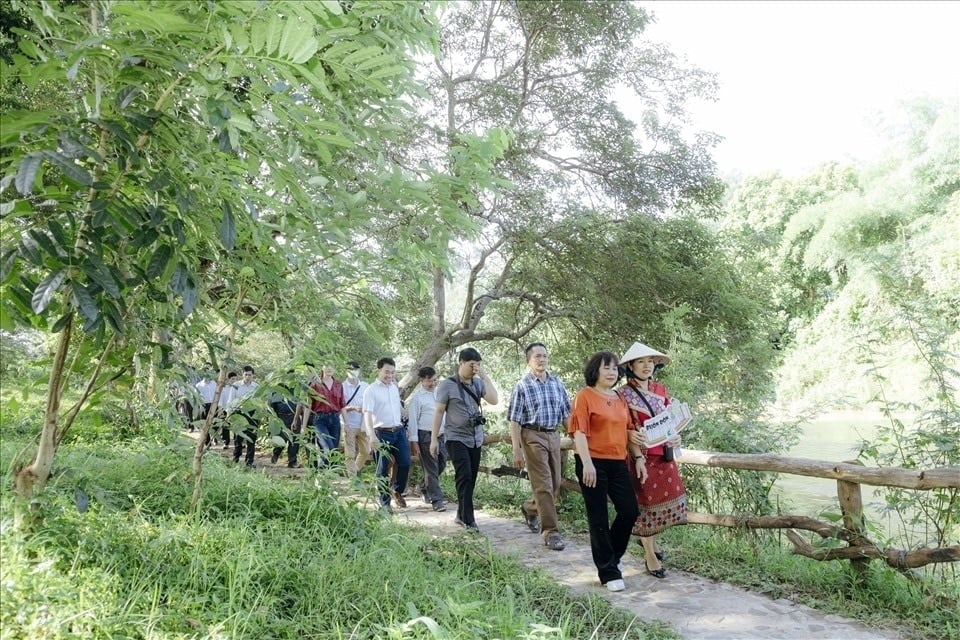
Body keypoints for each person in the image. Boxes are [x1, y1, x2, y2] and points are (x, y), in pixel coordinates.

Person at [569, 351, 645, 593]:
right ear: (595, 371)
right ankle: (608, 571)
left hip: (618, 461)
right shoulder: (585, 396)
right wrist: (587, 463)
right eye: (606, 368)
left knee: (629, 510)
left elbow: (628, 431)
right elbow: (579, 432)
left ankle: (611, 556)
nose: (612, 372)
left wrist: (639, 457)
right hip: (592, 462)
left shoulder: (620, 397)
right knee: (598, 516)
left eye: (614, 368)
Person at [618, 342, 687, 579]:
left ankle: (651, 543)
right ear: (630, 366)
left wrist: (675, 437)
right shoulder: (623, 394)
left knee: (663, 498)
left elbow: (670, 420)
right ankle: (649, 555)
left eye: (650, 361)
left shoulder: (660, 389)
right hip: (641, 456)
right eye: (641, 362)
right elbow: (625, 426)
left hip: (664, 454)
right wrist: (635, 450)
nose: (647, 366)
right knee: (646, 503)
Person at [508, 342, 571, 551]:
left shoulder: (557, 383)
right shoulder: (522, 386)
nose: (541, 359)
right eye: (537, 356)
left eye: (544, 355)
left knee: (554, 484)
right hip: (532, 435)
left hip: (553, 435)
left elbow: (566, 415)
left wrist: (575, 438)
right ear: (529, 361)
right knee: (543, 484)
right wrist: (516, 449)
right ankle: (550, 532)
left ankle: (530, 507)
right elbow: (515, 421)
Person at [431, 348, 499, 532]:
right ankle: (469, 519)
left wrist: (484, 375)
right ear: (461, 363)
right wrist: (434, 439)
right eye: (471, 365)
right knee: (465, 475)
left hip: (475, 438)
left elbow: (494, 400)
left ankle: (461, 514)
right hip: (455, 437)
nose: (474, 369)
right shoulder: (447, 385)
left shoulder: (477, 383)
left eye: (477, 365)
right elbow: (438, 412)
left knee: (472, 478)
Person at [362, 357, 411, 512]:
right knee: (382, 469)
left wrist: (403, 411)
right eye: (386, 372)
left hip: (398, 431)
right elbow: (367, 414)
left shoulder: (394, 387)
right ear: (379, 370)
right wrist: (372, 436)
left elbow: (396, 405)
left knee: (405, 462)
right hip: (381, 432)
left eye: (392, 372)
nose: (389, 375)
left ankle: (397, 490)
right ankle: (385, 504)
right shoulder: (371, 390)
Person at [408, 366, 446, 512]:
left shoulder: (439, 393)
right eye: (429, 380)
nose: (432, 383)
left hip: (441, 435)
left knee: (441, 464)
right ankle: (437, 501)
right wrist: (414, 441)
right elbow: (413, 421)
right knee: (431, 469)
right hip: (425, 436)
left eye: (434, 380)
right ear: (422, 380)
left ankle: (424, 487)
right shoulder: (417, 398)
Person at [269, 371, 310, 468]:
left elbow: (303, 402)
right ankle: (276, 454)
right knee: (281, 439)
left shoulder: (297, 388)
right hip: (281, 417)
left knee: (294, 440)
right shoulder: (277, 389)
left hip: (294, 416)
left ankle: (292, 461)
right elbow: (271, 405)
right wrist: (274, 417)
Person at [309, 364, 345, 468]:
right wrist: (303, 425)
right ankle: (322, 473)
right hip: (320, 420)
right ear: (322, 367)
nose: (329, 368)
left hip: (335, 419)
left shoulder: (338, 385)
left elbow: (342, 405)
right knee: (327, 447)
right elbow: (308, 405)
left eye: (331, 366)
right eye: (327, 365)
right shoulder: (315, 384)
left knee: (334, 451)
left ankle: (328, 475)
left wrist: (347, 424)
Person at [340, 361, 370, 478]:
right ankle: (353, 479)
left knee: (366, 451)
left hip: (362, 424)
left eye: (355, 369)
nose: (353, 371)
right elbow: (339, 407)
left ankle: (355, 470)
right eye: (350, 369)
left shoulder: (365, 386)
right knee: (350, 454)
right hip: (348, 424)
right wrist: (352, 408)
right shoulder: (342, 387)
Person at [232, 365, 260, 467]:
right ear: (242, 375)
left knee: (251, 437)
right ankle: (236, 457)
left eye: (250, 375)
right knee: (238, 437)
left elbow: (259, 401)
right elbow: (231, 400)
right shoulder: (236, 385)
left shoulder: (256, 387)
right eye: (246, 374)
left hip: (252, 414)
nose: (248, 377)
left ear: (253, 375)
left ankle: (249, 461)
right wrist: (230, 414)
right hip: (239, 412)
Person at [216, 371, 238, 449]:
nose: (234, 381)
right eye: (232, 379)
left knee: (237, 426)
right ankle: (226, 442)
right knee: (225, 426)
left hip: (235, 409)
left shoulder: (237, 388)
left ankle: (238, 442)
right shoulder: (224, 388)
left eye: (235, 379)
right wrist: (220, 408)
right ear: (228, 379)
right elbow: (221, 399)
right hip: (225, 409)